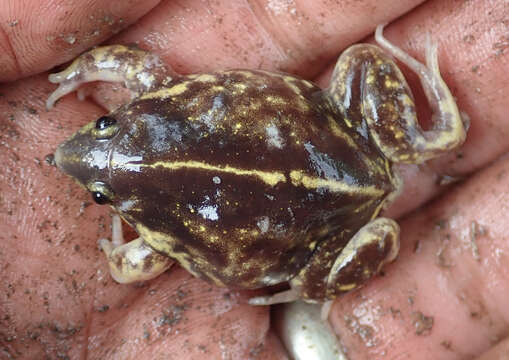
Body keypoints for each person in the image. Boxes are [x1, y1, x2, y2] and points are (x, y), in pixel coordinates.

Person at [0, 0, 507, 358]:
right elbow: (136, 65)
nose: (76, 148)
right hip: (349, 152)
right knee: (362, 61)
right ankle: (423, 140)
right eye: (101, 189)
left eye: (106, 127)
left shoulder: (154, 235)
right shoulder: (156, 95)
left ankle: (428, 142)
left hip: (339, 193)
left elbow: (127, 268)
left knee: (312, 282)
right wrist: (83, 68)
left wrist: (115, 251)